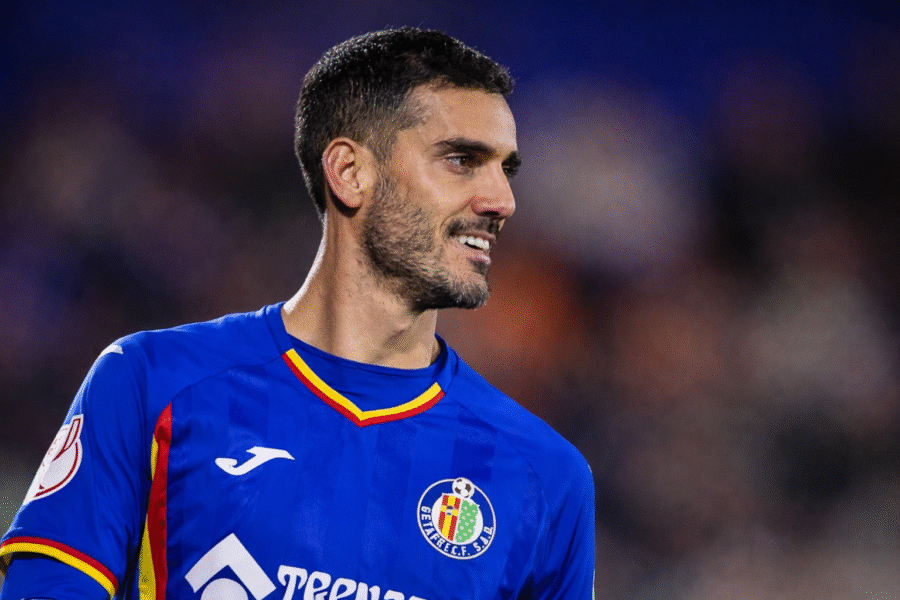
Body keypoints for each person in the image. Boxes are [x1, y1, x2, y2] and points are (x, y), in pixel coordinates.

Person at [0, 27, 595, 600]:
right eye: (462, 160)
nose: (501, 201)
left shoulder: (546, 477)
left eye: (506, 169)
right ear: (350, 173)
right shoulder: (152, 381)